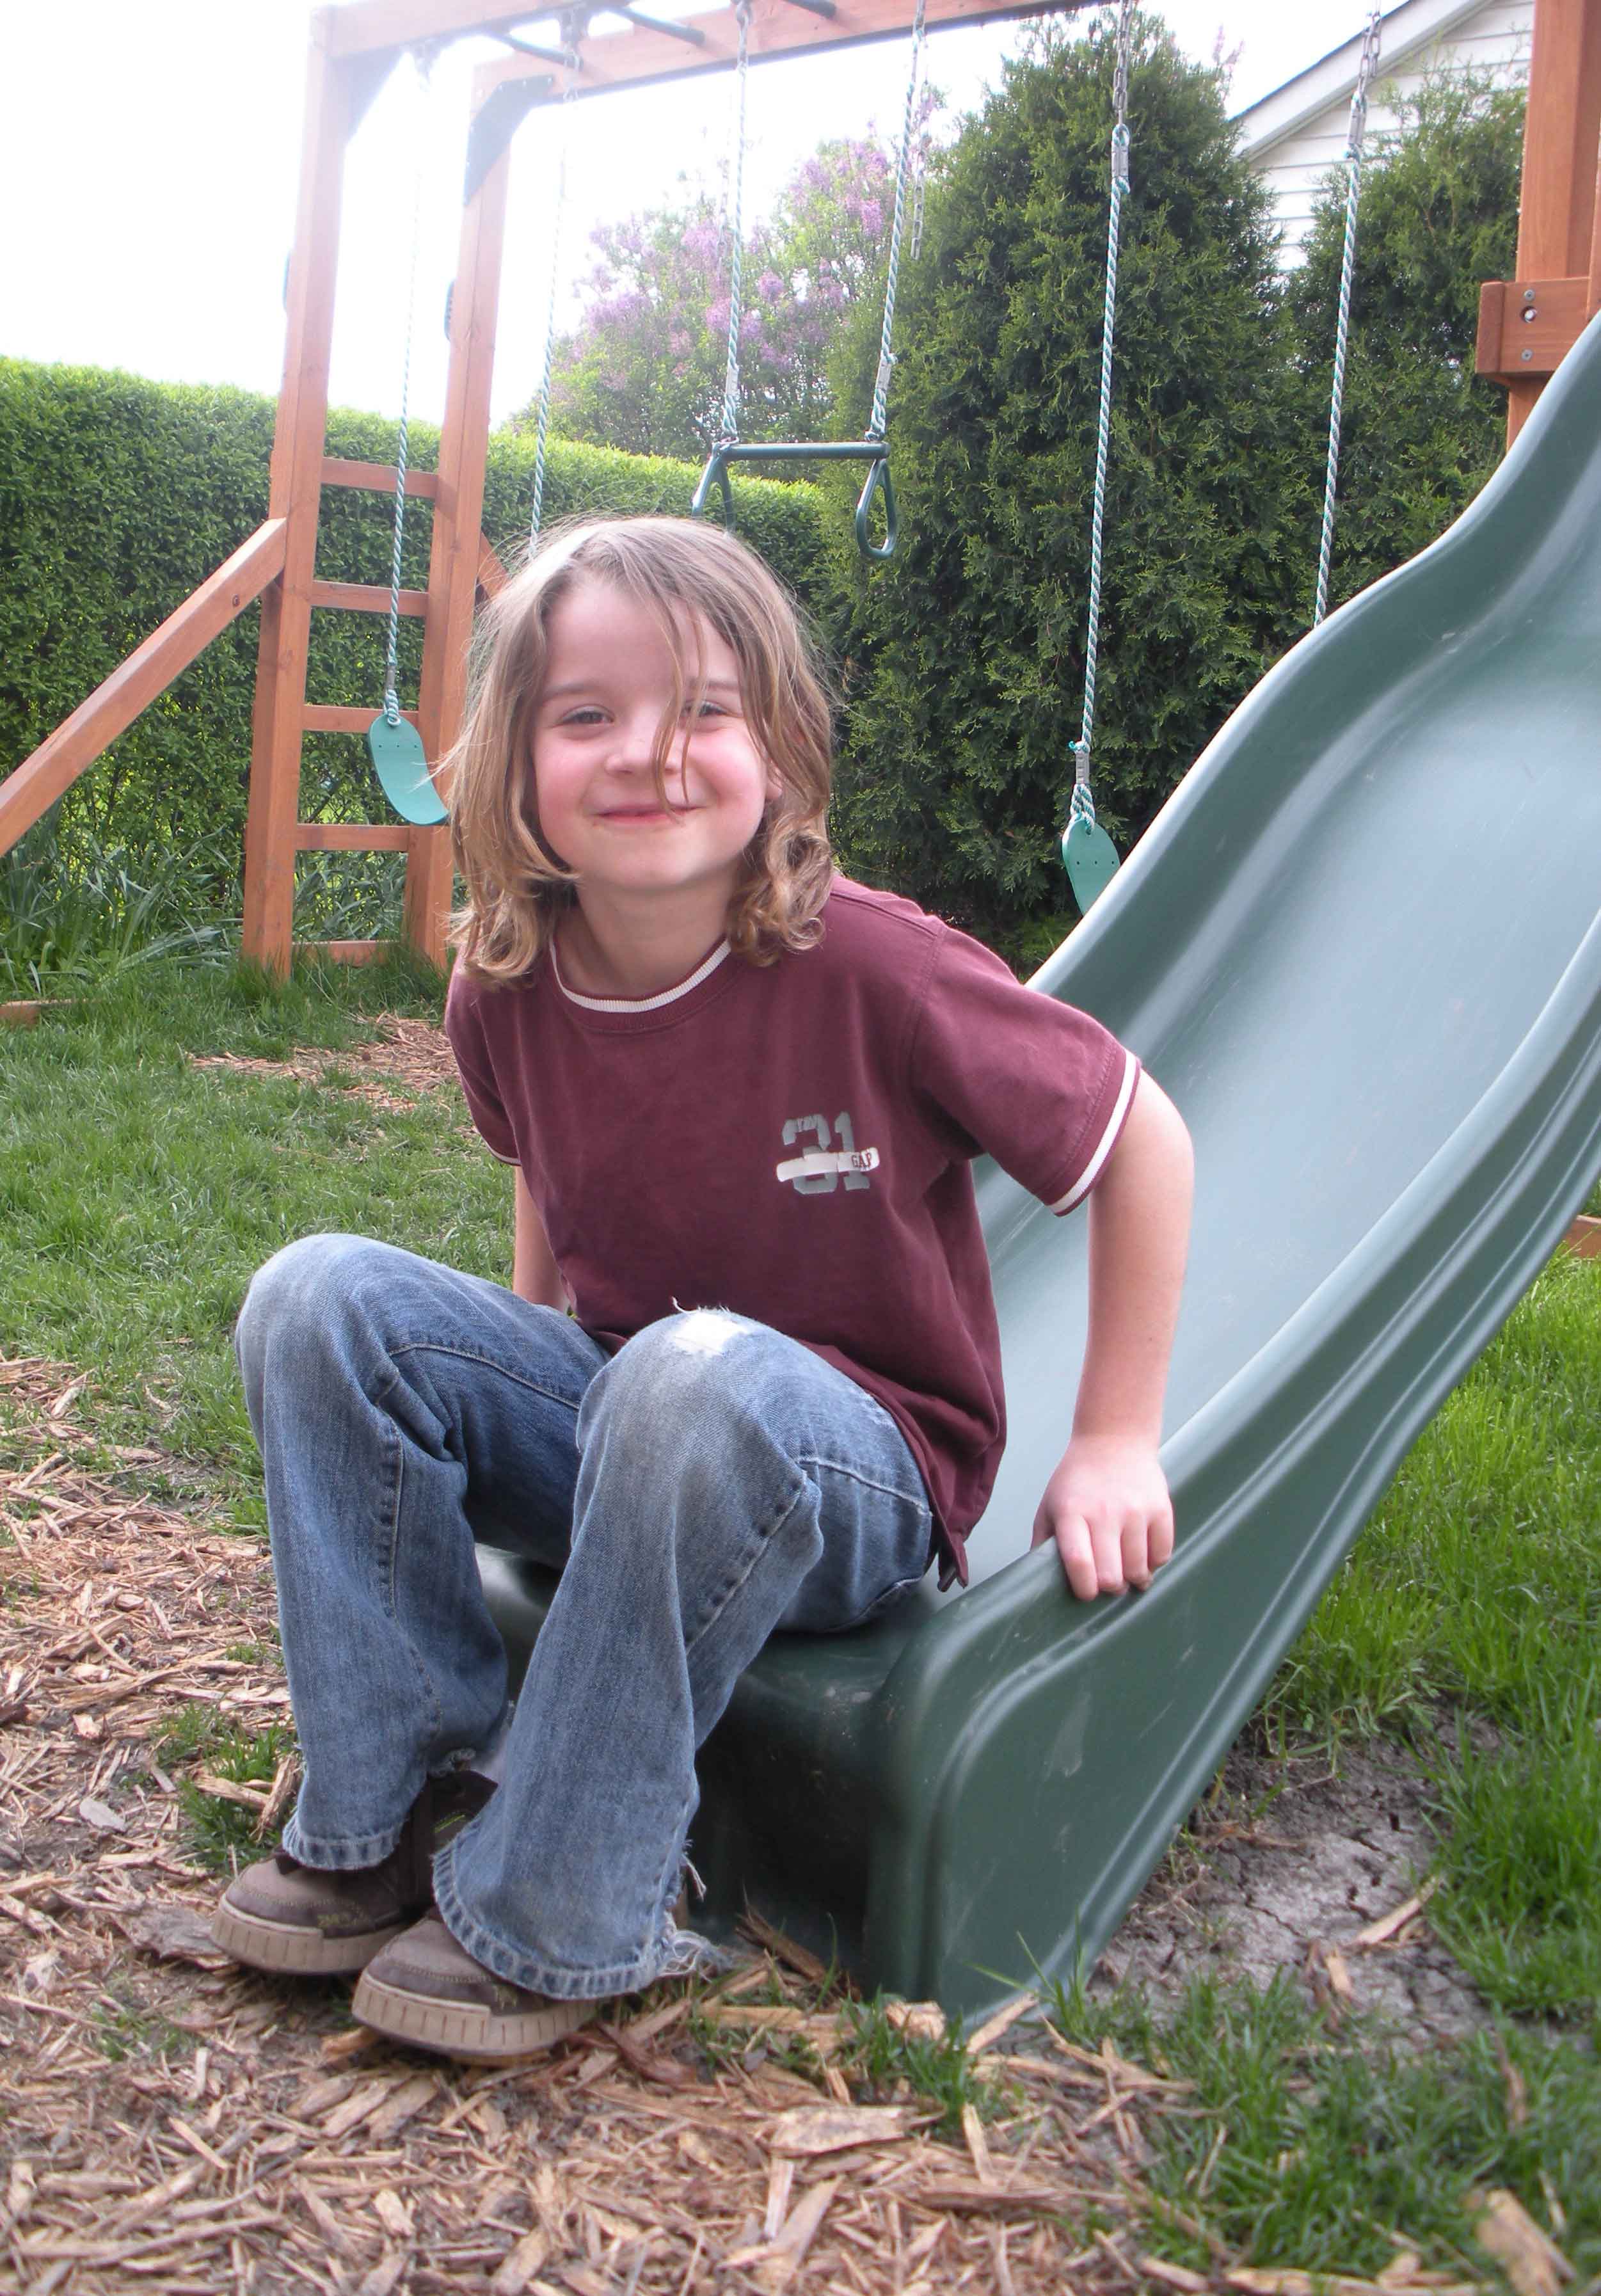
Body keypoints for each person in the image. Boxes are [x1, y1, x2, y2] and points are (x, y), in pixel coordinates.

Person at [212, 514, 1193, 2062]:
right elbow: (549, 1165)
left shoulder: (873, 967)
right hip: (630, 1412)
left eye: (705, 711)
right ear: (509, 761)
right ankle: (396, 1805)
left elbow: (1144, 1137)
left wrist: (1118, 1435)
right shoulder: (506, 985)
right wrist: (523, 1347)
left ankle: (561, 1905)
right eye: (587, 715)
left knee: (692, 1370)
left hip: (854, 1474)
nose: (651, 755)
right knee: (314, 1297)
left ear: (780, 747)